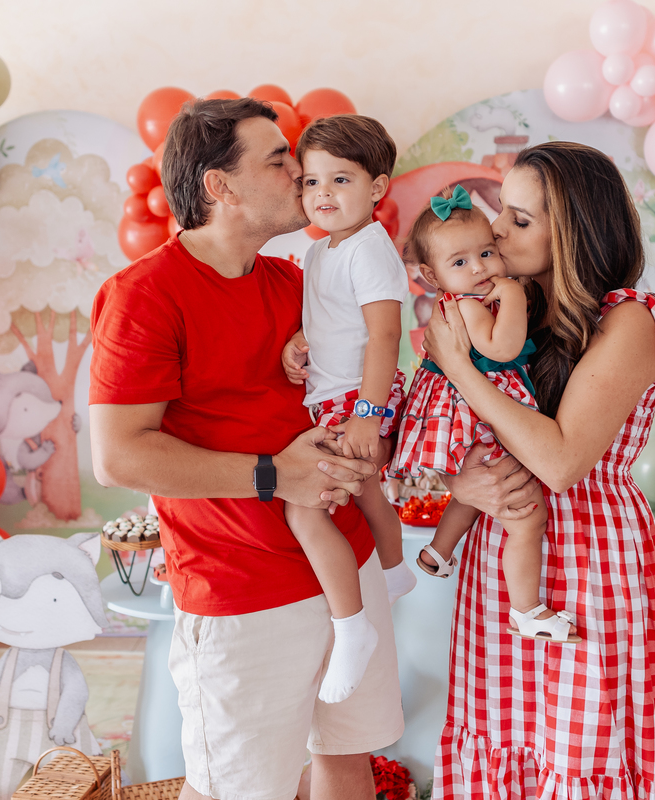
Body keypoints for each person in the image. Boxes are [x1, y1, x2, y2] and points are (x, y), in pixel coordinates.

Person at [89, 97, 402, 800]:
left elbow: (370, 372)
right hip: (241, 595)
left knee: (347, 760)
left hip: (345, 570)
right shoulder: (143, 296)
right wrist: (273, 476)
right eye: (279, 159)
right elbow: (119, 457)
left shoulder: (299, 282)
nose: (301, 174)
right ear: (219, 187)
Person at [421, 141, 655, 797]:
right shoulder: (513, 314)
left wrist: (462, 368)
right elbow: (454, 430)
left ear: (575, 232)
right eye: (501, 213)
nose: (495, 231)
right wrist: (461, 483)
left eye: (521, 220)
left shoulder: (627, 320)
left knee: (582, 738)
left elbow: (560, 461)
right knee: (506, 729)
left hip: (589, 551)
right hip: (506, 549)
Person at [389, 184, 573, 644]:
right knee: (526, 519)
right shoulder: (470, 307)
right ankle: (527, 609)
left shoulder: (462, 301)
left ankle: (439, 550)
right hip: (479, 415)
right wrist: (511, 296)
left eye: (487, 252)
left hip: (474, 415)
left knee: (474, 492)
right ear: (431, 277)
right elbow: (503, 347)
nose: (480, 269)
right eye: (460, 263)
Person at [278, 114, 413, 704]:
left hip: (355, 399)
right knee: (366, 494)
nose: (322, 194)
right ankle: (393, 572)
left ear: (378, 187)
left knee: (305, 510)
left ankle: (351, 627)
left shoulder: (369, 250)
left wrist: (367, 413)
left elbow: (385, 337)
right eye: (310, 182)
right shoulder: (322, 251)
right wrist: (297, 346)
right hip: (332, 394)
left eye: (340, 180)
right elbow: (329, 321)